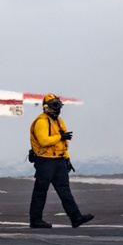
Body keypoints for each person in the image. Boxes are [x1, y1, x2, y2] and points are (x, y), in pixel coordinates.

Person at [28, 94, 94, 229]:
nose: (57, 109)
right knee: (40, 192)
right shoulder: (41, 122)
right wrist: (60, 136)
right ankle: (35, 220)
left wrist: (67, 158)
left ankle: (76, 217)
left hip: (59, 161)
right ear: (46, 107)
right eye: (54, 105)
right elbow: (43, 141)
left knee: (65, 191)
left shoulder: (59, 121)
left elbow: (63, 143)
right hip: (45, 161)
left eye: (58, 105)